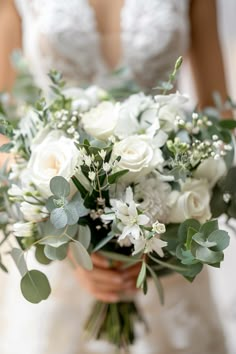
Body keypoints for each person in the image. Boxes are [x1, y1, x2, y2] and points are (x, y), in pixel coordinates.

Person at [0, 1, 230, 353]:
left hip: (165, 234)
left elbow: (218, 112)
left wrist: (173, 215)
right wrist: (64, 238)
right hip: (57, 223)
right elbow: (4, 120)